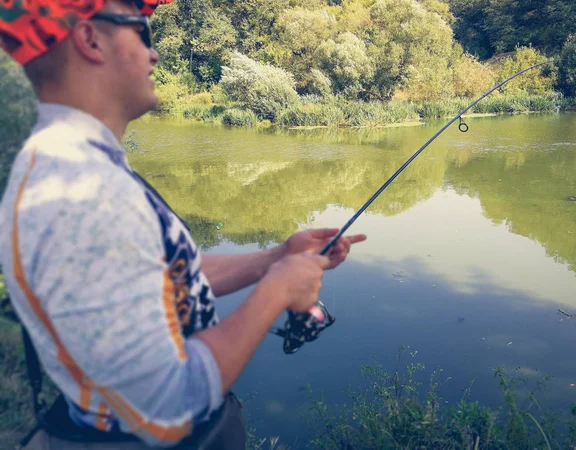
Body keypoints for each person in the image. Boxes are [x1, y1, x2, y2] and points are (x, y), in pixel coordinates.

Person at [0, 1, 367, 449]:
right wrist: (278, 291)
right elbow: (166, 409)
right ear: (90, 40)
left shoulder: (79, 166)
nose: (154, 55)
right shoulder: (77, 190)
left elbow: (166, 277)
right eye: (142, 32)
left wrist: (275, 259)